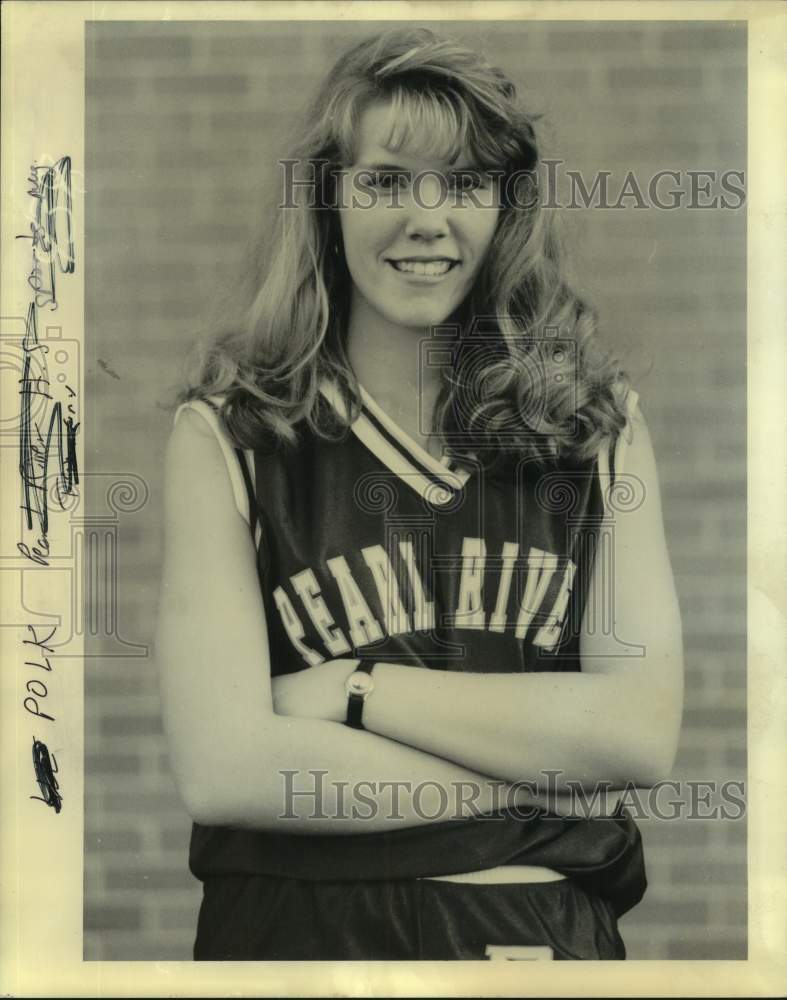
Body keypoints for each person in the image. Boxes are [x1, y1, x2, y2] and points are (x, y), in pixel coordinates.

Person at [155, 27, 684, 961]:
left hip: (538, 947)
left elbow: (636, 735)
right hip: (298, 943)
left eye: (467, 183)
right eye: (387, 181)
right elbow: (226, 769)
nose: (427, 219)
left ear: (505, 208)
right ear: (328, 199)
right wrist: (544, 781)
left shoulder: (593, 427)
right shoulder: (229, 433)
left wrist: (349, 690)